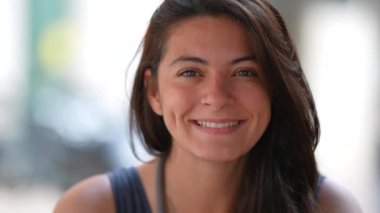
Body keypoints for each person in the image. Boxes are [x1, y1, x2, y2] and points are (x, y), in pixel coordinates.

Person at [54, 0, 362, 212]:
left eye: (244, 72)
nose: (216, 97)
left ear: (275, 89)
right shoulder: (91, 207)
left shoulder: (328, 207)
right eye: (190, 72)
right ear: (154, 92)